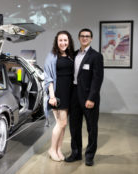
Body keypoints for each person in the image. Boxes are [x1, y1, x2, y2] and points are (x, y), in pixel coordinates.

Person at [65, 28, 104, 166]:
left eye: (87, 36)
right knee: (74, 127)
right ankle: (76, 153)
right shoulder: (74, 54)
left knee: (91, 127)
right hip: (74, 94)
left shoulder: (96, 56)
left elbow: (97, 79)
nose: (84, 38)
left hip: (88, 96)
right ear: (79, 38)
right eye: (82, 36)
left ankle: (89, 156)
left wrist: (92, 98)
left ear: (91, 38)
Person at [44, 31, 74, 162]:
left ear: (69, 41)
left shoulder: (70, 55)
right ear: (57, 42)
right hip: (58, 92)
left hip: (69, 92)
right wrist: (52, 96)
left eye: (65, 40)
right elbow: (48, 77)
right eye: (60, 40)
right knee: (61, 123)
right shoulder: (52, 56)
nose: (63, 43)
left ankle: (58, 149)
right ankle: (52, 149)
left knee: (64, 124)